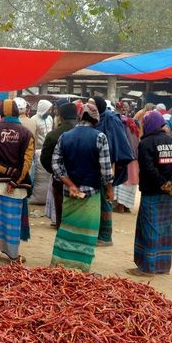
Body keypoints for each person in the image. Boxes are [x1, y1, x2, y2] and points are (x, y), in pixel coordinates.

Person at [50, 102, 113, 272]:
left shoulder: (65, 136)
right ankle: (80, 266)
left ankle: (61, 263)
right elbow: (106, 170)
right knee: (87, 232)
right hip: (91, 192)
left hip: (69, 193)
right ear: (95, 118)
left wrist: (70, 184)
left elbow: (55, 164)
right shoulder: (100, 137)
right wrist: (109, 189)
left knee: (67, 227)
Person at [131, 111, 172, 276]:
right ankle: (162, 265)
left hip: (152, 191)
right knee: (164, 228)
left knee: (149, 227)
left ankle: (147, 268)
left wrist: (163, 183)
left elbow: (148, 169)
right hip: (168, 193)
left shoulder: (146, 143)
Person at [0, 99, 34, 263]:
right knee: (13, 222)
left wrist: (5, 171)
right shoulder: (26, 133)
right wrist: (15, 179)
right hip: (17, 188)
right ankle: (13, 256)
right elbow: (27, 162)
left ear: (1, 113)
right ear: (17, 112)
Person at [92, 96, 134, 246]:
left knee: (105, 199)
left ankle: (105, 236)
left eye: (92, 106)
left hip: (109, 166)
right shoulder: (94, 119)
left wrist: (111, 173)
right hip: (95, 167)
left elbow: (117, 146)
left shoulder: (111, 120)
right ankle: (98, 233)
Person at [41, 101, 79, 229]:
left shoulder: (53, 135)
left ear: (61, 117)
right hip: (82, 178)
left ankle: (60, 225)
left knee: (60, 202)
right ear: (77, 116)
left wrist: (55, 172)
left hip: (60, 179)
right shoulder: (90, 134)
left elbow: (45, 159)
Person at [113, 111, 140, 213]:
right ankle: (127, 206)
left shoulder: (122, 127)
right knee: (131, 184)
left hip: (125, 159)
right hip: (135, 160)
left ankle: (120, 206)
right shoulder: (133, 127)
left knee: (123, 182)